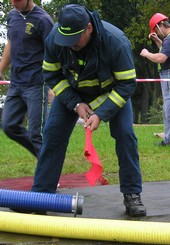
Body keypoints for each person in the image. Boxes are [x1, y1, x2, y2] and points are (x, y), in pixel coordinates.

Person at [31, 4, 146, 217]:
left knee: (125, 135)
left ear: (89, 28)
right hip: (73, 94)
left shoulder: (115, 42)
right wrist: (75, 103)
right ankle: (41, 196)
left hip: (111, 94)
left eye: (75, 38)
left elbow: (127, 84)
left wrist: (101, 113)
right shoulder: (56, 39)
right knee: (52, 134)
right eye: (66, 40)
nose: (70, 45)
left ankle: (132, 195)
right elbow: (52, 75)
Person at [0, 0, 53, 158]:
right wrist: (1, 68)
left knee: (37, 134)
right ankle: (45, 160)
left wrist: (51, 86)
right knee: (9, 126)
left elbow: (54, 53)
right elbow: (11, 42)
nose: (13, 3)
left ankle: (48, 175)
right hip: (16, 83)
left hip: (37, 84)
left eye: (17, 0)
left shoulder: (43, 20)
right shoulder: (12, 16)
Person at [140, 13, 170, 149]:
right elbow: (168, 51)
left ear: (160, 25)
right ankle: (169, 139)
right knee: (167, 110)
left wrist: (146, 54)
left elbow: (161, 58)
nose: (156, 33)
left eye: (155, 30)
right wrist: (157, 41)